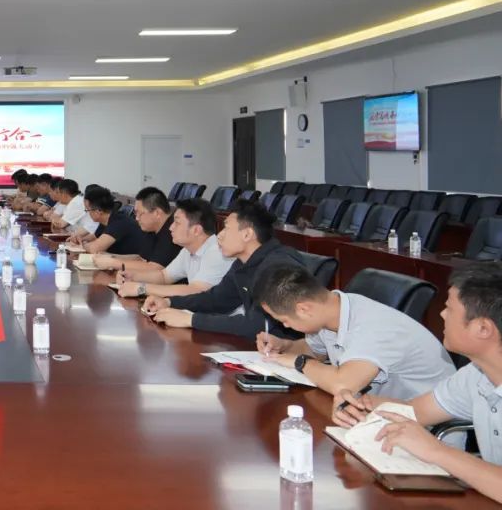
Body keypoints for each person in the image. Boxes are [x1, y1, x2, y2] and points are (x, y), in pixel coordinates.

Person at [332, 263, 502, 503]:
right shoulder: (475, 375)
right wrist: (360, 403)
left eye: (449, 309)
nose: (442, 315)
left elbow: (432, 446)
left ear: (483, 328)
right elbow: (414, 411)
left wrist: (437, 451)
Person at [254, 262, 455, 398]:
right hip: (378, 413)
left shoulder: (372, 326)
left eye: (284, 321)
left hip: (426, 430)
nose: (285, 326)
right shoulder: (331, 309)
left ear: (304, 309)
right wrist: (285, 346)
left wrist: (300, 362)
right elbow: (315, 351)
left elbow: (343, 386)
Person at [148, 199, 304, 338]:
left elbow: (256, 325)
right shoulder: (242, 263)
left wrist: (191, 320)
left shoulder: (278, 268)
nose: (220, 235)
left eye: (226, 228)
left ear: (247, 234)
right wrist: (169, 302)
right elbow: (217, 299)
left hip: (290, 351)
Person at [102, 198, 234, 298]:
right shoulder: (188, 250)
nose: (171, 228)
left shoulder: (217, 252)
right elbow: (164, 276)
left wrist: (142, 288)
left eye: (177, 223)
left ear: (196, 230)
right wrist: (133, 276)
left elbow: (195, 290)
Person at [92, 187, 177, 266]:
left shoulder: (171, 231)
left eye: (140, 213)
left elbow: (154, 268)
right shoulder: (151, 229)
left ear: (157, 213)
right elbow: (141, 259)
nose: (137, 218)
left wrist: (113, 263)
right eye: (136, 214)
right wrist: (110, 256)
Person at [68, 186, 150, 255]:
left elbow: (95, 249)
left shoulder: (118, 223)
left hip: (130, 264)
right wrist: (81, 239)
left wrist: (82, 245)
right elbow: (95, 237)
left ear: (98, 211)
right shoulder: (106, 219)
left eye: (87, 210)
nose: (87, 213)